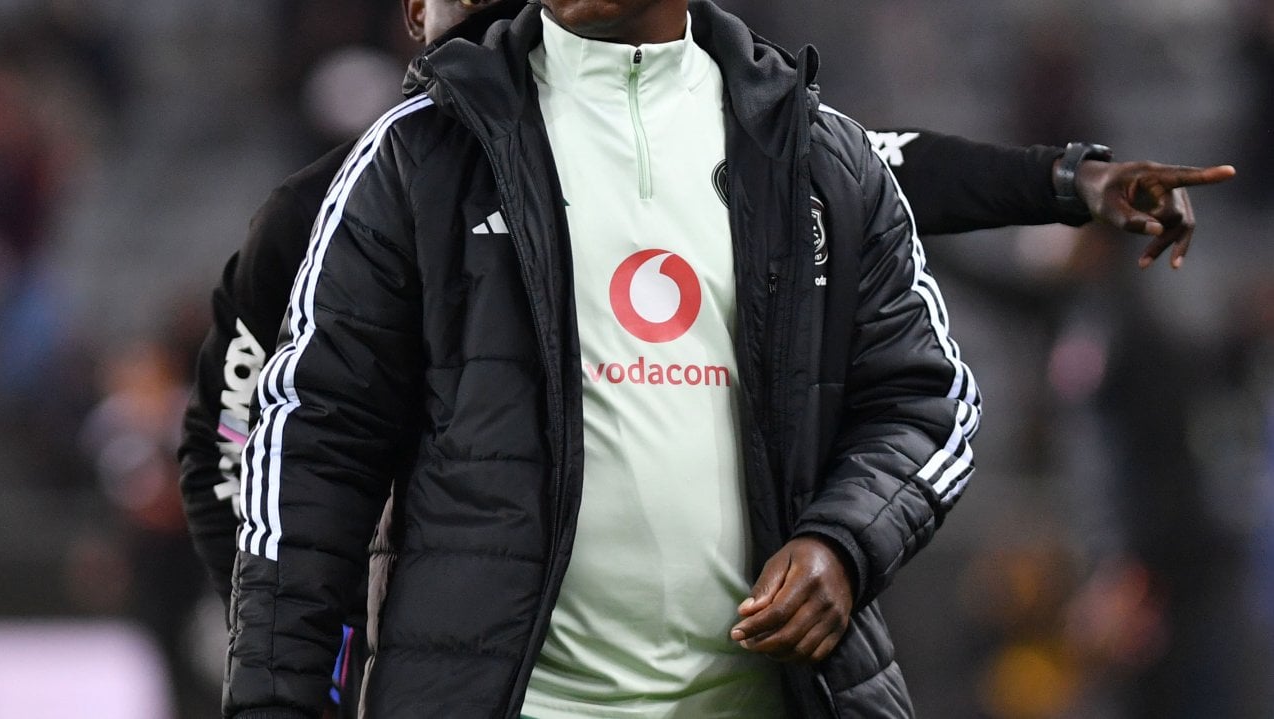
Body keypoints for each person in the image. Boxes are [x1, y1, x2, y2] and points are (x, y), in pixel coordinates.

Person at [184, 1, 1235, 717]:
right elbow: (255, 454)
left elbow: (888, 171)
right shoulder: (352, 196)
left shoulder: (777, 141)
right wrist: (333, 654)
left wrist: (1064, 179)